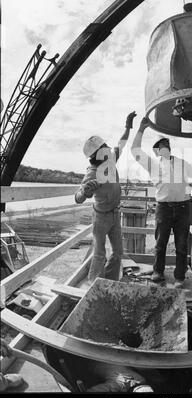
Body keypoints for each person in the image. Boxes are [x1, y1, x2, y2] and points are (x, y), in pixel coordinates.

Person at [131, 117, 192, 288]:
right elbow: (135, 150)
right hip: (164, 208)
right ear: (156, 151)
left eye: (165, 144)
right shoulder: (153, 165)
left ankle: (179, 277)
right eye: (160, 145)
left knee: (181, 245)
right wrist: (141, 129)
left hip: (184, 207)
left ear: (169, 147)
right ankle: (158, 272)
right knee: (160, 243)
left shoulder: (181, 163)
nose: (163, 147)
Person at [75, 111, 136, 283]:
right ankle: (94, 286)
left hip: (115, 215)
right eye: (105, 148)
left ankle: (109, 282)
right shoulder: (92, 174)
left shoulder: (110, 161)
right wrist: (85, 192)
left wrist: (128, 126)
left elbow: (121, 143)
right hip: (101, 218)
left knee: (118, 253)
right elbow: (78, 197)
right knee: (99, 254)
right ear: (97, 155)